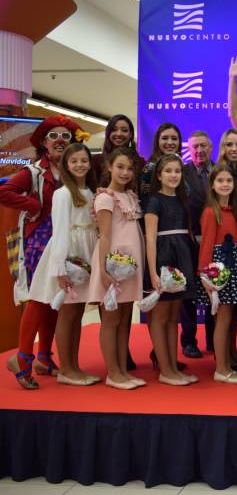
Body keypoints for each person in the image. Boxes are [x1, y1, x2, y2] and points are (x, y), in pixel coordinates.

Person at [0, 115, 84, 389]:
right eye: (54, 136)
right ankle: (23, 359)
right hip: (40, 241)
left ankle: (44, 357)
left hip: (65, 241)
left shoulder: (73, 172)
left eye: (66, 137)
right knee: (38, 299)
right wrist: (33, 205)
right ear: (44, 142)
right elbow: (5, 191)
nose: (60, 141)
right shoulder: (34, 172)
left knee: (54, 300)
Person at [26, 142, 98, 386]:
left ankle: (74, 366)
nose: (80, 165)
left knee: (77, 314)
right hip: (69, 257)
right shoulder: (62, 194)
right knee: (67, 314)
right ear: (66, 165)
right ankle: (66, 370)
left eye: (84, 160)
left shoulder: (89, 192)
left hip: (85, 255)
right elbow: (60, 234)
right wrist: (60, 269)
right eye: (74, 161)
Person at [87, 148, 145, 390]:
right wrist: (103, 269)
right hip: (113, 264)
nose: (125, 172)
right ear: (109, 166)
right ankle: (113, 372)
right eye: (120, 167)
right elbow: (105, 236)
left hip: (129, 267)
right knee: (111, 320)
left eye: (130, 168)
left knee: (124, 319)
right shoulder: (105, 198)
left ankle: (122, 369)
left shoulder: (131, 196)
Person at [143, 154, 199, 386]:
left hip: (181, 256)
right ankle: (165, 369)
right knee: (160, 315)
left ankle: (173, 366)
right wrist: (154, 273)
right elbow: (150, 238)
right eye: (168, 171)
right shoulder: (154, 200)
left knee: (174, 315)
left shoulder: (182, 199)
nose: (173, 175)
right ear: (159, 175)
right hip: (163, 257)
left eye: (177, 171)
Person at [197, 165, 237, 384]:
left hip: (235, 264)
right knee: (223, 320)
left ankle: (228, 362)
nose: (225, 184)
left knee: (230, 319)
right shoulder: (211, 212)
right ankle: (221, 369)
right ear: (212, 185)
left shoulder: (233, 211)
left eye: (229, 180)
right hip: (220, 269)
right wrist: (205, 275)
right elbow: (207, 245)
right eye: (220, 181)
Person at [182, 131, 213, 358]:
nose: (200, 150)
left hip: (215, 241)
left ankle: (213, 339)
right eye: (195, 147)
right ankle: (189, 341)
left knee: (214, 288)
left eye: (203, 146)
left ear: (210, 147)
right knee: (189, 293)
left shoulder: (221, 172)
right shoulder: (181, 173)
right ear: (189, 149)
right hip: (189, 240)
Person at [91, 114, 143, 182]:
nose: (119, 134)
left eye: (124, 130)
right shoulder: (96, 161)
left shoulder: (140, 162)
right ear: (108, 133)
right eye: (114, 130)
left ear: (130, 135)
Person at [140, 123, 182, 197]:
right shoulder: (150, 167)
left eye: (174, 138)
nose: (169, 142)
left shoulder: (180, 164)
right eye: (165, 138)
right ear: (157, 141)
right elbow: (145, 199)